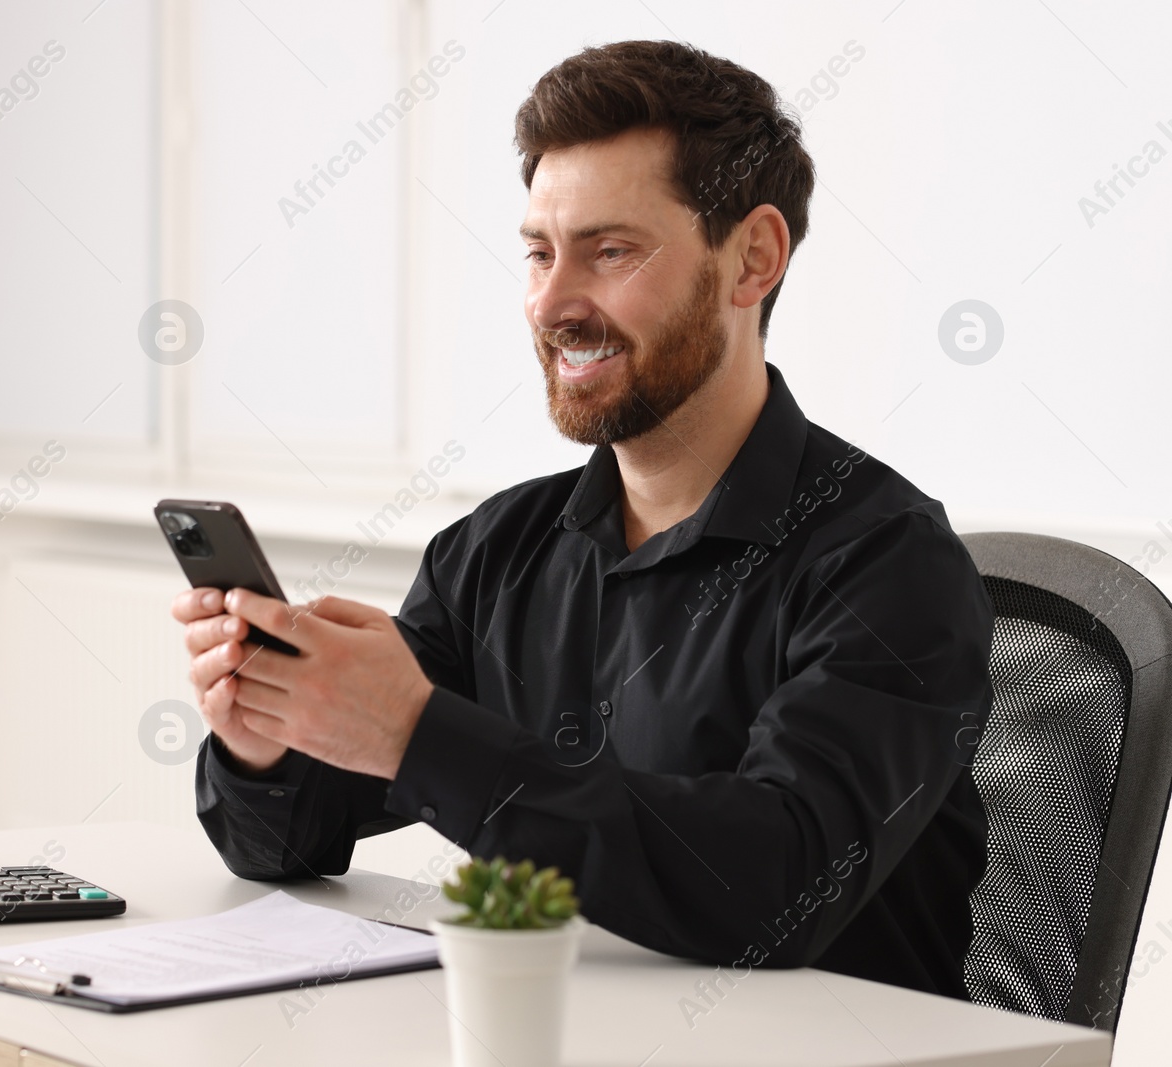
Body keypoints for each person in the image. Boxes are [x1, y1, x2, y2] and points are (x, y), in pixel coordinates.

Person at [172, 40, 992, 999]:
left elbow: (774, 887)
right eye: (537, 252)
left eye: (610, 251)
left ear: (752, 259)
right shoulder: (495, 553)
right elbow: (281, 845)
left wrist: (418, 733)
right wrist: (268, 731)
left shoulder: (888, 563)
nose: (553, 302)